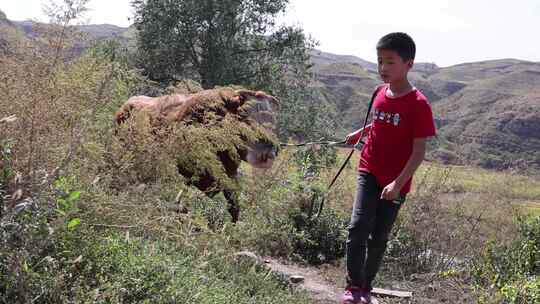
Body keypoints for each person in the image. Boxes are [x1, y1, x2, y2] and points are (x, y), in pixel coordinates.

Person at [341, 32, 436, 304]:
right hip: (368, 169)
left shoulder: (419, 105)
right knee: (358, 227)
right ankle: (353, 286)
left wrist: (397, 183)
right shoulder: (379, 92)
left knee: (379, 236)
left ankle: (366, 287)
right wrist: (362, 131)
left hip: (397, 180)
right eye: (380, 61)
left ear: (409, 64)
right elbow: (383, 121)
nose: (383, 68)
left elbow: (419, 151)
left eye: (390, 62)